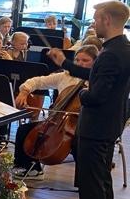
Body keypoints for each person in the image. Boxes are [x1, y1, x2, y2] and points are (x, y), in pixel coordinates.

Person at [47, 0, 130, 199]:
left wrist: (81, 94)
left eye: (96, 19)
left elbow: (96, 96)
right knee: (102, 179)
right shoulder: (122, 48)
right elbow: (96, 75)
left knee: (91, 182)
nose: (94, 23)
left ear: (107, 20)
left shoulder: (111, 54)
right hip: (110, 124)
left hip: (96, 126)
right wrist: (65, 64)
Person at [14, 45, 98, 176]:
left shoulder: (97, 81)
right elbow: (37, 81)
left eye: (85, 60)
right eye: (77, 60)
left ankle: (85, 178)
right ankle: (30, 169)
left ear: (95, 62)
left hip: (83, 126)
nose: (80, 63)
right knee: (25, 130)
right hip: (58, 122)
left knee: (81, 143)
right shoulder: (66, 76)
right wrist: (24, 91)